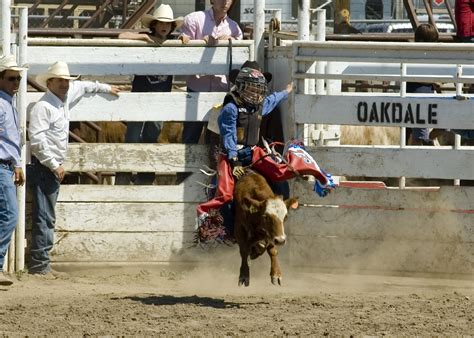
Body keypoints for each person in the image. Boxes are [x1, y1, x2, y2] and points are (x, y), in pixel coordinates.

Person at [197, 67, 335, 242]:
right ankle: (221, 225)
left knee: (281, 173)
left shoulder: (259, 106)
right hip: (231, 156)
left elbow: (273, 99)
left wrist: (286, 91)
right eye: (251, 89)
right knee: (225, 195)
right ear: (240, 87)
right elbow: (229, 134)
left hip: (254, 151)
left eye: (258, 90)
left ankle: (313, 173)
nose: (255, 94)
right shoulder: (230, 109)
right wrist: (234, 160)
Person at [27, 61, 120, 276]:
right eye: (60, 80)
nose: (65, 84)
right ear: (49, 82)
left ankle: (40, 262)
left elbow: (84, 86)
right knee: (44, 216)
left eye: (66, 81)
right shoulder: (44, 107)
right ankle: (40, 264)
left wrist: (106, 88)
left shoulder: (62, 100)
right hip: (45, 167)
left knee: (45, 214)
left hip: (48, 167)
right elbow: (38, 140)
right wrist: (54, 164)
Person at [115, 4, 183, 185]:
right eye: (160, 23)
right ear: (153, 24)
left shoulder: (173, 43)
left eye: (168, 24)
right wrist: (143, 37)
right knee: (133, 134)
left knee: (153, 132)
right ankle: (126, 171)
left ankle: (145, 174)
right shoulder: (146, 40)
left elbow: (189, 42)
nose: (164, 27)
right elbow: (121, 36)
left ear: (171, 27)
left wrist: (186, 38)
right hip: (140, 95)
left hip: (160, 99)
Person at [179, 0, 242, 144]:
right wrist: (200, 43)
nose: (225, 2)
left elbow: (239, 53)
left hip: (220, 92)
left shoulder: (234, 28)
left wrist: (230, 40)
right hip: (198, 88)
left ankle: (210, 166)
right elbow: (183, 46)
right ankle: (190, 165)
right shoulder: (194, 19)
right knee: (191, 135)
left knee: (214, 139)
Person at [0, 55, 26, 286]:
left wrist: (17, 164)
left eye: (18, 78)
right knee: (10, 216)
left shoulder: (8, 103)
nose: (16, 82)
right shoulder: (2, 104)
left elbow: (9, 140)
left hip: (6, 166)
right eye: (11, 78)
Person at [406, 23, 439, 146]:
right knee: (419, 134)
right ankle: (427, 140)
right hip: (419, 97)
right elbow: (415, 77)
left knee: (418, 133)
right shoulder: (418, 54)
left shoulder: (415, 53)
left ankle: (427, 139)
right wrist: (433, 81)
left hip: (421, 95)